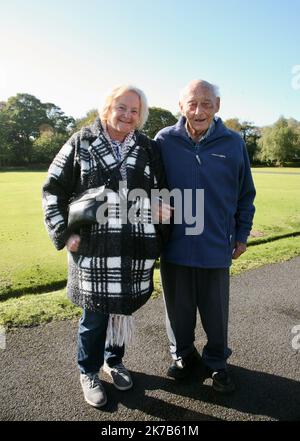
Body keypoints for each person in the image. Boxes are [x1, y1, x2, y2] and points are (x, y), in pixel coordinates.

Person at [42, 84, 169, 408]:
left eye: (134, 111)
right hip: (94, 250)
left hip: (133, 249)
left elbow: (162, 191)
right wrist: (63, 232)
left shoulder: (148, 147)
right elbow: (52, 189)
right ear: (107, 108)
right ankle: (88, 371)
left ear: (141, 116)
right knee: (94, 316)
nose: (127, 115)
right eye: (121, 108)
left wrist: (160, 211)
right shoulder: (81, 142)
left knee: (121, 311)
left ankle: (114, 362)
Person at [155, 79, 256, 394]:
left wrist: (242, 233)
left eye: (206, 104)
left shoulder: (233, 142)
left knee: (216, 312)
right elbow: (151, 188)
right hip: (174, 245)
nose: (199, 111)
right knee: (178, 311)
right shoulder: (163, 140)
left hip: (215, 245)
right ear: (181, 105)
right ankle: (183, 356)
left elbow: (245, 194)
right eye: (192, 103)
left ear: (218, 106)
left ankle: (216, 362)